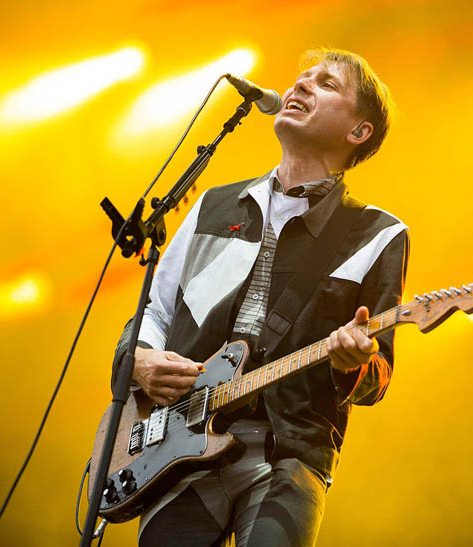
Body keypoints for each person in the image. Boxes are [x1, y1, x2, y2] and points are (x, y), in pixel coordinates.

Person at [112, 47, 409, 546]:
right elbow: (155, 310)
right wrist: (138, 361)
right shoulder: (213, 205)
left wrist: (351, 364)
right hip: (178, 440)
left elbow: (377, 378)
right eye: (301, 78)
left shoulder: (377, 233)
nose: (302, 86)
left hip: (288, 455)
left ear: (359, 132)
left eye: (327, 84)